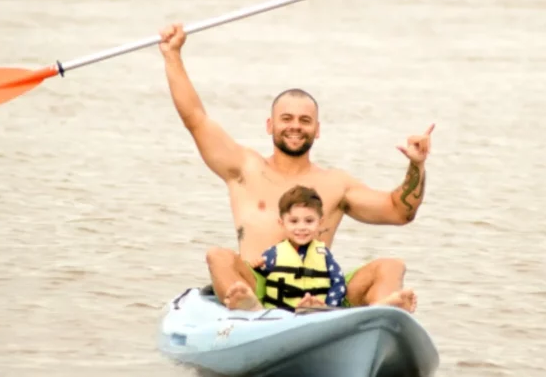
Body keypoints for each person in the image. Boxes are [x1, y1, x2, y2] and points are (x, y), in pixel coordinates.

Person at [158, 23, 431, 313]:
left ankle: (382, 314)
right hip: (259, 288)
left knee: (391, 266)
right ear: (270, 125)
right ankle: (250, 312)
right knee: (218, 257)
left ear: (317, 129)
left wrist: (417, 166)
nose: (295, 127)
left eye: (304, 120)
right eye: (286, 118)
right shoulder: (244, 168)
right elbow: (196, 119)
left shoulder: (336, 184)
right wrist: (172, 55)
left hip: (320, 294)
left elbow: (400, 211)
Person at [224, 184, 347, 312]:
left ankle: (312, 308)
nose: (302, 227)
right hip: (280, 314)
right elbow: (258, 277)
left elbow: (338, 281)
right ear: (282, 224)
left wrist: (329, 307)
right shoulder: (273, 254)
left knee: (319, 303)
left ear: (320, 223)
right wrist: (257, 266)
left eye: (309, 221)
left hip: (317, 312)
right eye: (294, 221)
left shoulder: (324, 254)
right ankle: (251, 306)